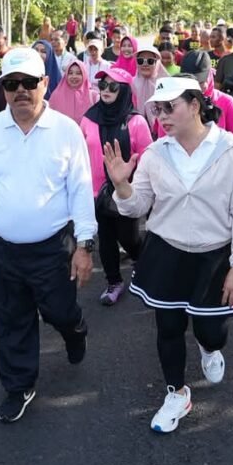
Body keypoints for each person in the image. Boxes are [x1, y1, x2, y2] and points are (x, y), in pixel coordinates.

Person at [104, 75, 233, 434]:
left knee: (212, 332)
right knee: (168, 327)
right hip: (166, 253)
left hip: (214, 257)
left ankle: (209, 347)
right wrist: (122, 184)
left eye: (169, 107)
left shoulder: (231, 150)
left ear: (195, 105)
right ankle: (176, 393)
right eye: (158, 109)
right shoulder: (156, 153)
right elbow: (137, 206)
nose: (162, 116)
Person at [0, 47, 96, 423]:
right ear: (2, 88)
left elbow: (81, 191)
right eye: (11, 83)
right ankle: (19, 386)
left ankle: (74, 329)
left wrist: (85, 245)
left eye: (29, 82)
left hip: (54, 247)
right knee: (11, 319)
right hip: (4, 249)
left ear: (45, 83)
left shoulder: (66, 131)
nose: (20, 90)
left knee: (60, 312)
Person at [80, 67, 152, 306]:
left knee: (129, 238)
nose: (106, 90)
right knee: (106, 238)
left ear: (124, 90)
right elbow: (79, 154)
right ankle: (114, 282)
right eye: (102, 85)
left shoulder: (136, 121)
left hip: (126, 191)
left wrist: (133, 179)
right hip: (96, 192)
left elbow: (148, 157)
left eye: (113, 86)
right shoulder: (89, 119)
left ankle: (143, 264)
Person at [171, 51, 233, 140]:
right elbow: (165, 142)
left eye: (200, 82)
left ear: (210, 74)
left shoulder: (227, 102)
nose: (197, 87)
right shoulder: (171, 104)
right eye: (191, 83)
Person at [48, 58, 97, 125]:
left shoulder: (93, 96)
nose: (74, 76)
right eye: (70, 73)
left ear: (84, 75)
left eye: (78, 73)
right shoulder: (56, 96)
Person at [132, 45, 170, 132]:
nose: (145, 64)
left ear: (157, 63)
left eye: (150, 61)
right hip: (137, 130)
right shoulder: (132, 84)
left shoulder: (166, 84)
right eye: (140, 61)